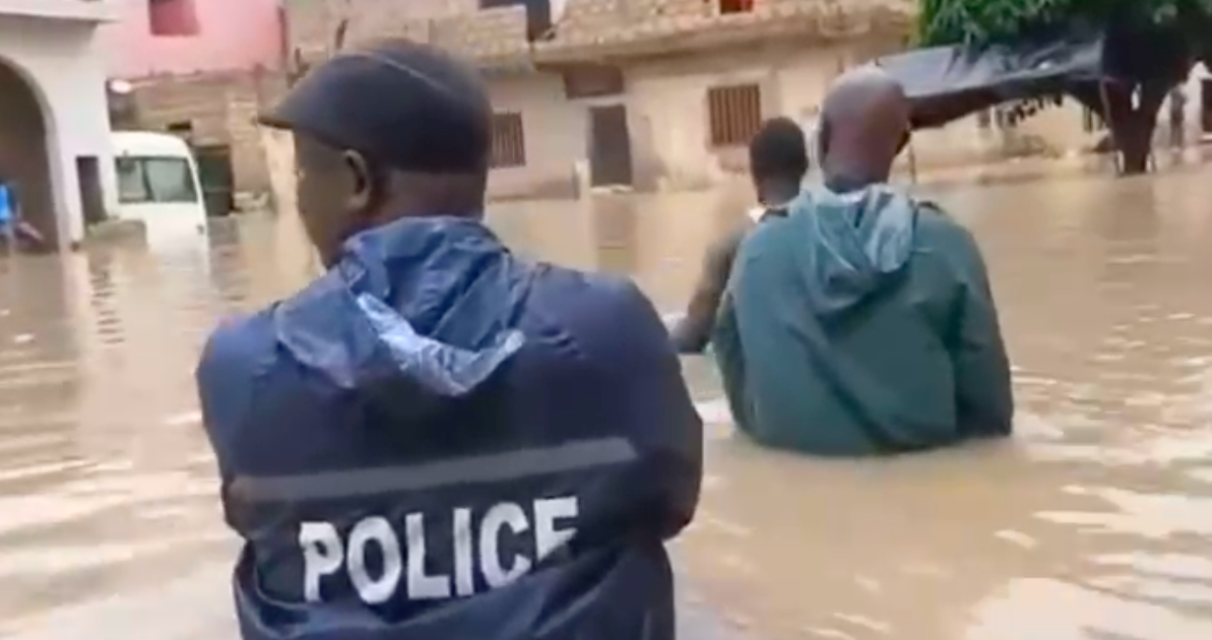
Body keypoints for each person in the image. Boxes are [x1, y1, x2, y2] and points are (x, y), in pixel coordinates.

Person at [196, 40, 702, 640]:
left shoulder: (243, 364)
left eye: (306, 172)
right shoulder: (609, 330)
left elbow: (258, 525)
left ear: (357, 181)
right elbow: (671, 501)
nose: (302, 194)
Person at [712, 65, 1014, 456]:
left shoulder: (755, 251)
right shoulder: (947, 247)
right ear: (903, 142)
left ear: (820, 140)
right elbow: (989, 416)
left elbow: (733, 368)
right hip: (922, 497)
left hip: (797, 492)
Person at [669, 117, 808, 353]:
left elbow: (692, 336)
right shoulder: (834, 229)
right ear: (805, 166)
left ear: (753, 171)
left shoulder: (730, 246)